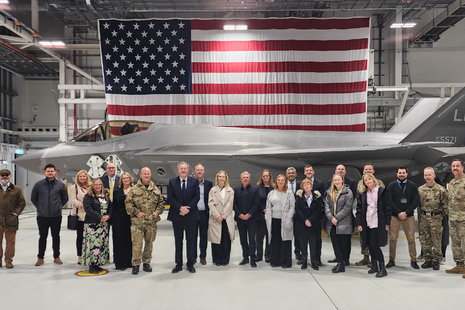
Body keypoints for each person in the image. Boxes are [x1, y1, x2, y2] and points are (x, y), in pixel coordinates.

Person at [126, 168, 165, 275]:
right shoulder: (134, 189)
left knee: (149, 244)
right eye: (145, 174)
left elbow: (161, 202)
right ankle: (136, 264)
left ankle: (146, 263)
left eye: (148, 174)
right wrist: (136, 212)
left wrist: (157, 212)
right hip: (138, 222)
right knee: (137, 244)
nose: (147, 175)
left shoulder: (155, 189)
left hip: (151, 222)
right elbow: (128, 203)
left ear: (150, 175)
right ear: (141, 175)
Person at [31, 163, 69, 266]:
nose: (50, 173)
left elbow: (65, 198)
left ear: (55, 172)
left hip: (56, 216)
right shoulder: (38, 185)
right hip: (42, 216)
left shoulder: (60, 185)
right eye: (48, 171)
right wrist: (40, 207)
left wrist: (58, 206)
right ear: (45, 173)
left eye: (52, 171)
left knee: (56, 236)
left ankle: (56, 257)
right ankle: (40, 258)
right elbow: (33, 198)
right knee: (42, 237)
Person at [356, 173, 391, 278]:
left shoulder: (382, 192)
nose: (368, 181)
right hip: (367, 222)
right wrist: (359, 223)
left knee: (374, 245)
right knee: (370, 245)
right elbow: (359, 210)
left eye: (369, 179)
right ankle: (374, 266)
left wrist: (387, 223)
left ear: (374, 179)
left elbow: (387, 208)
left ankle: (382, 268)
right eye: (365, 180)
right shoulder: (364, 194)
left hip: (378, 222)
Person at [168, 162, 200, 274]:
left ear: (188, 170)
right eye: (181, 169)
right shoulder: (172, 182)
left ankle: (190, 263)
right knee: (178, 240)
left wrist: (188, 209)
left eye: (185, 169)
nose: (183, 170)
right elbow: (170, 198)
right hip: (177, 215)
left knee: (191, 240)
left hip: (191, 215)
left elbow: (197, 197)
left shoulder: (194, 181)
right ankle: (178, 264)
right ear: (178, 170)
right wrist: (181, 208)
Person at [386, 166, 420, 269]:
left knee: (411, 239)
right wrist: (398, 212)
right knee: (392, 239)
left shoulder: (412, 185)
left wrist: (406, 212)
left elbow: (416, 200)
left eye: (403, 173)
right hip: (395, 217)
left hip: (408, 216)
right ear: (397, 174)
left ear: (407, 174)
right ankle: (392, 260)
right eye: (400, 173)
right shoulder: (391, 185)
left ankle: (413, 260)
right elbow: (389, 200)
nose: (401, 174)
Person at [418, 167, 448, 271]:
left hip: (436, 218)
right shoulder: (420, 190)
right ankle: (428, 260)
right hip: (424, 218)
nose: (427, 177)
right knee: (425, 240)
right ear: (423, 176)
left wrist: (438, 215)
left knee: (436, 240)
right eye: (426, 175)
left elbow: (446, 206)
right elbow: (418, 204)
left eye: (429, 175)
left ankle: (436, 261)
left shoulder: (441, 190)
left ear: (434, 176)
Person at [355, 163, 385, 267]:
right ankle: (365, 258)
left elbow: (384, 204)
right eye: (365, 169)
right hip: (366, 217)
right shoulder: (360, 184)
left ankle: (376, 262)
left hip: (376, 218)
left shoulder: (380, 184)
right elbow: (359, 200)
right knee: (364, 240)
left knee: (374, 243)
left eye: (369, 169)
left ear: (373, 171)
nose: (367, 171)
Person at [326, 164, 356, 264]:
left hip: (344, 221)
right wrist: (331, 218)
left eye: (339, 180)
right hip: (332, 222)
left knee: (345, 242)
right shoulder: (329, 192)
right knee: (335, 242)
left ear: (342, 180)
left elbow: (347, 207)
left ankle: (345, 260)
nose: (337, 182)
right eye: (335, 180)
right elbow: (326, 206)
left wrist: (337, 218)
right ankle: (339, 260)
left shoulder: (348, 192)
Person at [82, 178, 113, 274]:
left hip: (103, 225)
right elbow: (88, 209)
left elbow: (111, 207)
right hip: (92, 225)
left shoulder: (106, 196)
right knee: (93, 245)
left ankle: (98, 263)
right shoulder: (88, 196)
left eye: (99, 184)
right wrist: (100, 217)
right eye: (96, 184)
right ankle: (92, 265)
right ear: (92, 186)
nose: (98, 186)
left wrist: (108, 216)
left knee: (101, 244)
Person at [266, 174, 295, 268]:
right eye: (279, 180)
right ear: (276, 182)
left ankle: (285, 262)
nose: (280, 182)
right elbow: (268, 207)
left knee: (285, 240)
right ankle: (275, 261)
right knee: (275, 241)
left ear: (285, 182)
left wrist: (288, 218)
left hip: (285, 220)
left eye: (282, 180)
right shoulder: (271, 193)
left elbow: (292, 206)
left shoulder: (289, 193)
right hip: (274, 220)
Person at [208, 170, 235, 266]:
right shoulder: (213, 190)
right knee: (216, 240)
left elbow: (230, 204)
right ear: (217, 178)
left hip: (226, 218)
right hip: (216, 218)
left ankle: (225, 259)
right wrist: (217, 215)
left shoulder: (230, 190)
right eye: (220, 176)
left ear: (226, 178)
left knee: (226, 239)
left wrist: (222, 216)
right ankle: (217, 259)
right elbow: (210, 204)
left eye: (223, 177)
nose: (221, 178)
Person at [0, 169, 26, 269]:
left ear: (10, 176)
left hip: (11, 220)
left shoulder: (16, 189)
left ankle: (8, 260)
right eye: (2, 175)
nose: (4, 177)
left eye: (6, 175)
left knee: (10, 242)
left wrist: (15, 214)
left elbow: (21, 203)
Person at [295, 179, 323, 270]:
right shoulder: (299, 197)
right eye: (304, 185)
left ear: (311, 186)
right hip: (302, 224)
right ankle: (304, 262)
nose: (307, 186)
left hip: (314, 224)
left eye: (308, 184)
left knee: (313, 245)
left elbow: (318, 211)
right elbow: (297, 210)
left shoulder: (317, 197)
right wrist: (305, 220)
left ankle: (314, 262)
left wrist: (310, 220)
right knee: (303, 244)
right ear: (302, 187)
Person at [233, 171, 260, 268]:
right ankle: (245, 257)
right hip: (240, 220)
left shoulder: (255, 189)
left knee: (252, 239)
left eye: (247, 177)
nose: (245, 179)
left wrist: (249, 214)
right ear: (241, 179)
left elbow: (257, 203)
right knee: (243, 239)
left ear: (250, 179)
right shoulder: (236, 190)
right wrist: (239, 214)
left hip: (251, 219)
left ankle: (253, 258)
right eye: (243, 177)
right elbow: (234, 204)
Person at [445, 159, 465, 276]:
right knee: (456, 243)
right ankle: (460, 265)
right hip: (453, 219)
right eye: (453, 166)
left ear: (462, 167)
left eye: (457, 166)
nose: (455, 168)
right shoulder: (451, 183)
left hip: (463, 219)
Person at [302, 165, 325, 266]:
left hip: (316, 219)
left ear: (313, 172)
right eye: (307, 171)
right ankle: (302, 259)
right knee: (303, 240)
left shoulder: (319, 183)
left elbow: (322, 200)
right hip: (304, 219)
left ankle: (317, 258)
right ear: (304, 172)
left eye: (310, 170)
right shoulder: (301, 183)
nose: (309, 172)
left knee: (317, 240)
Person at [112, 172, 134, 271]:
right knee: (119, 241)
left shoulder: (134, 191)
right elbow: (113, 206)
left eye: (127, 178)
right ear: (121, 180)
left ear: (130, 179)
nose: (126, 180)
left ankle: (129, 261)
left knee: (129, 241)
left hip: (131, 219)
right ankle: (120, 263)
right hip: (119, 220)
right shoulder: (116, 191)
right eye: (124, 178)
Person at [69, 170, 92, 265]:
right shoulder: (74, 188)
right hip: (80, 216)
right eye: (80, 176)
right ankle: (80, 256)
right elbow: (73, 201)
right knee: (80, 237)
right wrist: (84, 205)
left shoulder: (91, 187)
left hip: (91, 216)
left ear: (87, 177)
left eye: (84, 176)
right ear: (77, 178)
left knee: (90, 237)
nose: (82, 178)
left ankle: (90, 255)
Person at [194, 164, 213, 265]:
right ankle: (193, 257)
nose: (199, 172)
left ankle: (203, 256)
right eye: (198, 170)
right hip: (193, 213)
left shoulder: (209, 184)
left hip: (204, 214)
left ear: (204, 171)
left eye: (201, 170)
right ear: (195, 171)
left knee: (203, 236)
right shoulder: (191, 182)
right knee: (192, 236)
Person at [256, 169, 274, 263]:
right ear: (261, 177)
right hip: (260, 215)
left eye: (267, 176)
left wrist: (270, 210)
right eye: (264, 176)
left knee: (269, 236)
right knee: (259, 237)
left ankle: (268, 255)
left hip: (271, 215)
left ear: (270, 177)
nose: (265, 177)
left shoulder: (274, 188)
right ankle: (259, 255)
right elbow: (256, 201)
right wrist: (263, 209)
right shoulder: (258, 188)